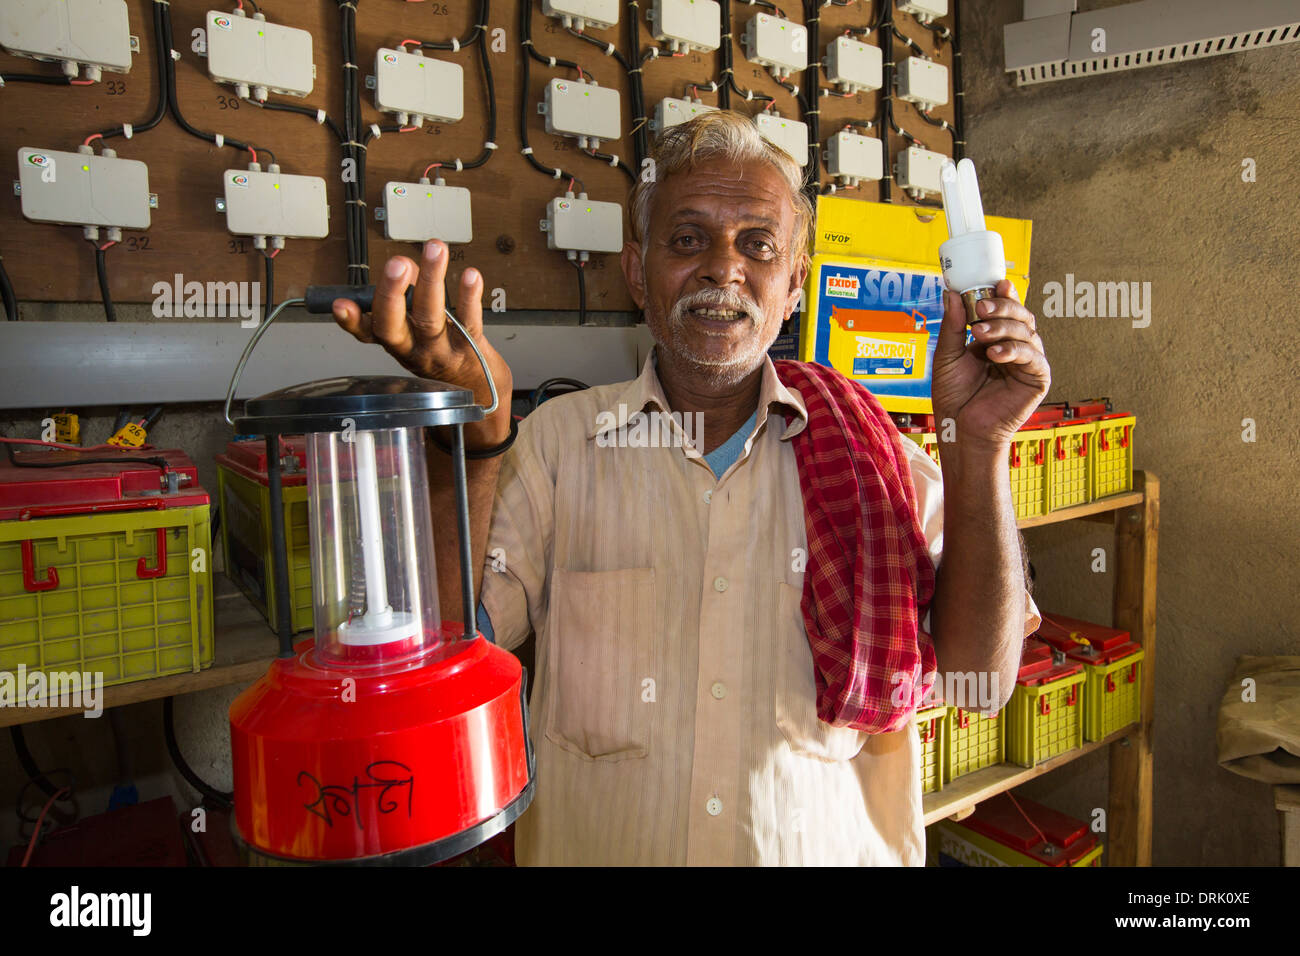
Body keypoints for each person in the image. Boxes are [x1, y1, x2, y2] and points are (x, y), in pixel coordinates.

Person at [332, 110, 1048, 865]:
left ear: (796, 281)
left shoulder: (876, 459)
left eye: (758, 244)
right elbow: (446, 650)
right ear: (638, 273)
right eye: (688, 239)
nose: (722, 268)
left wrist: (981, 444)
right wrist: (471, 440)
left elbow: (979, 681)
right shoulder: (557, 446)